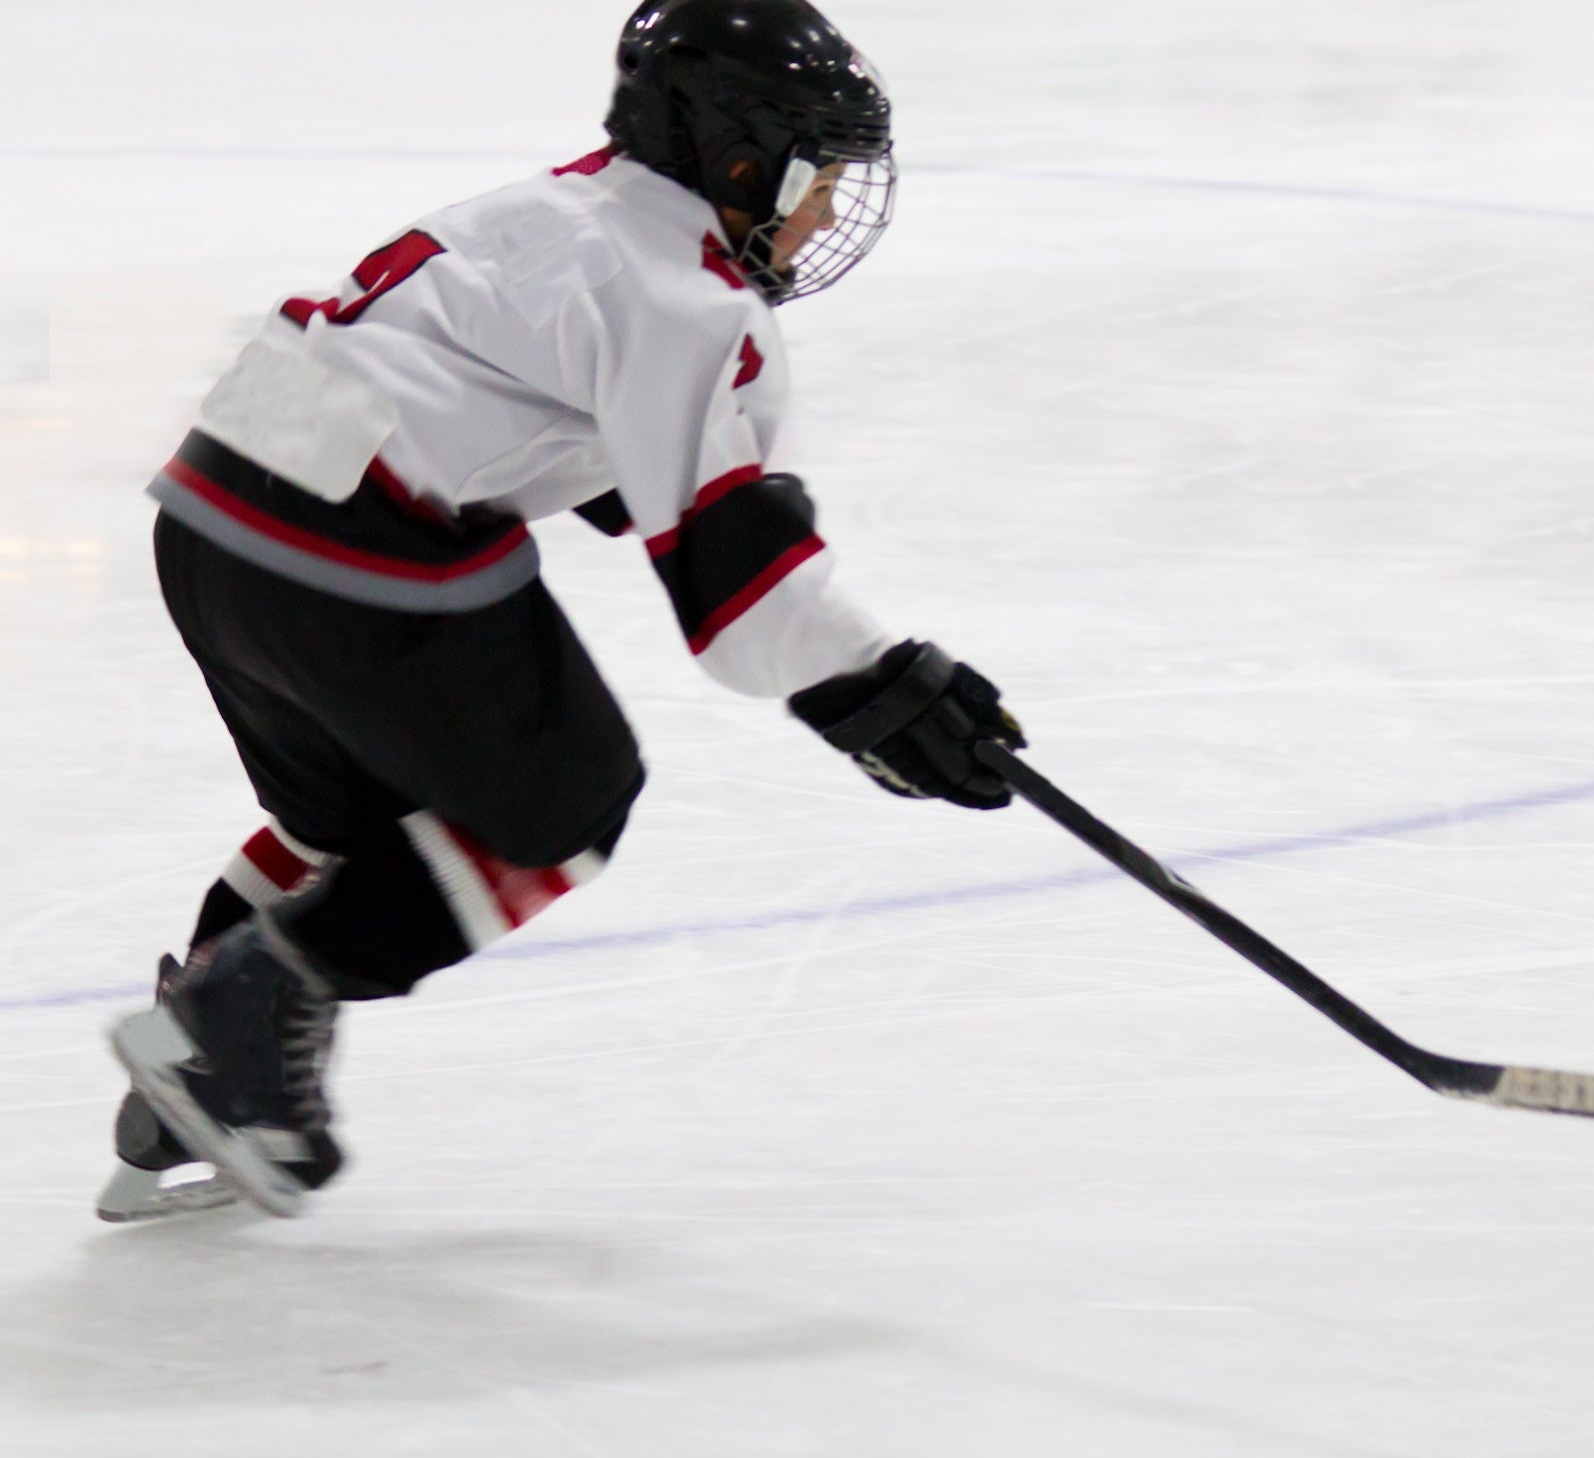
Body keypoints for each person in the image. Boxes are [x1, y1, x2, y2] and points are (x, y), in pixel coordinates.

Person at [100, 0, 1025, 1222]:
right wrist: (885, 685)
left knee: (352, 824)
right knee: (563, 798)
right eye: (812, 180)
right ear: (740, 160)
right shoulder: (692, 296)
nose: (817, 219)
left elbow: (515, 414)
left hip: (217, 499)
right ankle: (238, 1021)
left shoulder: (557, 207)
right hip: (343, 542)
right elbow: (740, 598)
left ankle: (184, 1089)